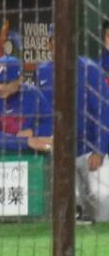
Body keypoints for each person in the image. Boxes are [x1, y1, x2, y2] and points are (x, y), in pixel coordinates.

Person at [37, 45, 109, 222]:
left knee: (103, 200)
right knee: (68, 207)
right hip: (59, 152)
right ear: (48, 44)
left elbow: (103, 111)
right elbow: (43, 114)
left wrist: (99, 150)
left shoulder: (90, 69)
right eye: (53, 41)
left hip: (89, 150)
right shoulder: (43, 72)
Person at [0, 56, 53, 154]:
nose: (0, 87)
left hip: (26, 156)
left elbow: (51, 123)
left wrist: (33, 132)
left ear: (20, 80)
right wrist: (26, 142)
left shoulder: (33, 94)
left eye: (6, 82)